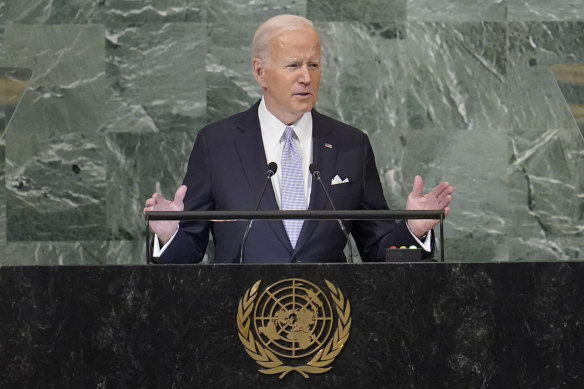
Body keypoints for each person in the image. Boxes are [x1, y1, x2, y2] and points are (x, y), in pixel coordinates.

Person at [143, 14, 453, 264]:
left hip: (329, 323)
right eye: (293, 65)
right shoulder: (217, 144)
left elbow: (379, 251)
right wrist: (168, 236)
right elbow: (187, 256)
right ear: (260, 72)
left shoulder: (350, 145)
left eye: (313, 65)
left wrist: (413, 231)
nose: (306, 77)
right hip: (239, 320)